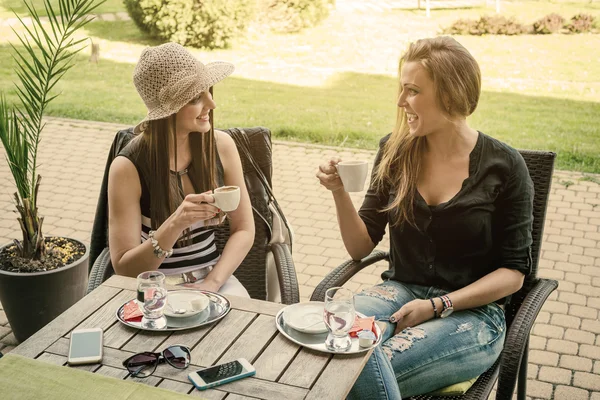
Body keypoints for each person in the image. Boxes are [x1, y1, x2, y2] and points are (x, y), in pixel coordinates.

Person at [316, 36, 533, 399]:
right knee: (332, 341)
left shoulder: (506, 166)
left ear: (450, 95)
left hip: (473, 315)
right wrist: (339, 192)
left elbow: (513, 274)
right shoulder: (395, 151)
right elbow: (359, 247)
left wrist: (438, 305)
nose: (401, 102)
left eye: (413, 91)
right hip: (397, 292)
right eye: (402, 90)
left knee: (346, 370)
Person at [108, 42, 254, 297]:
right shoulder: (128, 167)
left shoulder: (221, 146)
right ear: (169, 111)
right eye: (197, 97)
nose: (212, 103)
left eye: (209, 91)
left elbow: (244, 228)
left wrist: (213, 282)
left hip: (215, 279)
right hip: (156, 288)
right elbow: (124, 269)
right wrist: (175, 223)